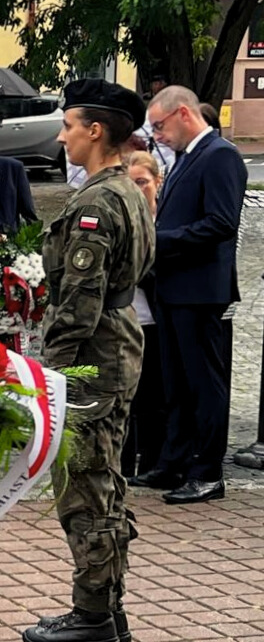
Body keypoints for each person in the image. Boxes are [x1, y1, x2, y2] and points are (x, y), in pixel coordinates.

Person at [22, 80, 155, 642]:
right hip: (114, 348)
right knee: (105, 479)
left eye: (68, 125)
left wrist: (49, 377)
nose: (61, 137)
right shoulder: (126, 188)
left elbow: (79, 301)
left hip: (90, 360)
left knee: (85, 487)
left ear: (95, 131)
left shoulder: (98, 202)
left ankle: (94, 614)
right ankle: (107, 607)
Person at [134, 85, 246, 504]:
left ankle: (207, 471)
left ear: (183, 113)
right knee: (176, 383)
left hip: (200, 291)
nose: (157, 136)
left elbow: (221, 223)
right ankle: (174, 462)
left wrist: (158, 241)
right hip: (173, 287)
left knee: (203, 384)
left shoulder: (220, 155)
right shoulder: (185, 157)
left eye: (159, 126)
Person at [122, 148, 165, 479]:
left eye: (143, 182)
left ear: (157, 182)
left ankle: (152, 462)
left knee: (154, 396)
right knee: (127, 398)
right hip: (127, 320)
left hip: (157, 319)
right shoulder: (123, 220)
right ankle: (124, 465)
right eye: (131, 183)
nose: (138, 190)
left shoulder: (165, 222)